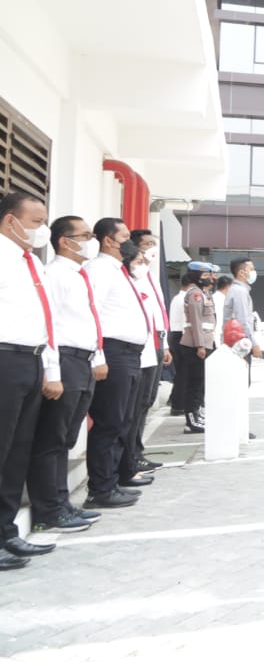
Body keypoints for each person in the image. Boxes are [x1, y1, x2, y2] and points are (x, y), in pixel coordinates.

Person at [27, 215, 107, 534]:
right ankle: (48, 509)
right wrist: (53, 371)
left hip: (83, 361)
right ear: (64, 240)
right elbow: (49, 326)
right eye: (84, 234)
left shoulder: (78, 274)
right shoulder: (56, 275)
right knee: (52, 438)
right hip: (66, 360)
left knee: (66, 438)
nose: (91, 240)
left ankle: (60, 502)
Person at [0, 191, 60, 568]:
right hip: (4, 359)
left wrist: (49, 368)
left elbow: (46, 321)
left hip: (31, 360)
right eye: (37, 222)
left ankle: (6, 532)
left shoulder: (33, 264)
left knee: (17, 452)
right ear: (10, 221)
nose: (43, 230)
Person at [84, 218, 152, 508]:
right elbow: (92, 312)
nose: (131, 243)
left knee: (123, 420)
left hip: (130, 353)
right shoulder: (99, 269)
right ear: (108, 240)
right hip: (113, 352)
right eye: (125, 237)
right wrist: (98, 355)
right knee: (109, 422)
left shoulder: (120, 271)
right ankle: (101, 489)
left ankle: (113, 480)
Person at [121, 230, 170, 487]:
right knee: (135, 405)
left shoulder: (148, 274)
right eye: (147, 245)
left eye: (154, 244)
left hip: (156, 341)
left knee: (146, 402)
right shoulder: (133, 276)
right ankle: (131, 458)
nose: (151, 250)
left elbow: (157, 312)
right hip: (141, 346)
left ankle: (136, 452)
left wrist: (165, 343)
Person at [178, 265, 217, 433]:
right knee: (194, 384)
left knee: (199, 382)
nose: (209, 278)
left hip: (204, 343)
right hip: (195, 345)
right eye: (205, 274)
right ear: (196, 276)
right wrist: (200, 345)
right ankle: (191, 421)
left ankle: (196, 414)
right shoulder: (194, 294)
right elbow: (195, 321)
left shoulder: (202, 293)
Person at [224, 258, 264, 363]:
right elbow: (243, 321)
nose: (254, 272)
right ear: (242, 273)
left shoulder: (238, 290)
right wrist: (254, 344)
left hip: (235, 342)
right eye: (251, 269)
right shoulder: (240, 292)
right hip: (239, 345)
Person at [168, 276, 192, 415]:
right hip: (181, 335)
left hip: (177, 335)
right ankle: (178, 404)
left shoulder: (177, 297)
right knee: (183, 372)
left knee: (181, 372)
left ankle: (177, 401)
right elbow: (185, 321)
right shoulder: (183, 299)